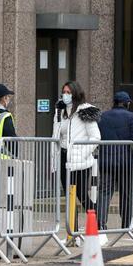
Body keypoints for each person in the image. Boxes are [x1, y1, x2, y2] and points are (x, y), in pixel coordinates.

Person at [51, 80, 101, 243]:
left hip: (80, 159)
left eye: (68, 92)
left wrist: (84, 153)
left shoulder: (85, 111)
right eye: (63, 92)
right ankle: (72, 233)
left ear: (75, 93)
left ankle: (97, 226)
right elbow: (56, 135)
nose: (65, 95)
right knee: (69, 194)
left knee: (80, 194)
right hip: (64, 157)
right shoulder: (60, 111)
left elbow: (95, 137)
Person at [97, 91, 133, 234]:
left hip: (106, 161)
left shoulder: (102, 117)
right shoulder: (131, 117)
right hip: (125, 162)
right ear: (126, 103)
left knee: (104, 192)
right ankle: (127, 224)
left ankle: (100, 224)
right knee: (126, 193)